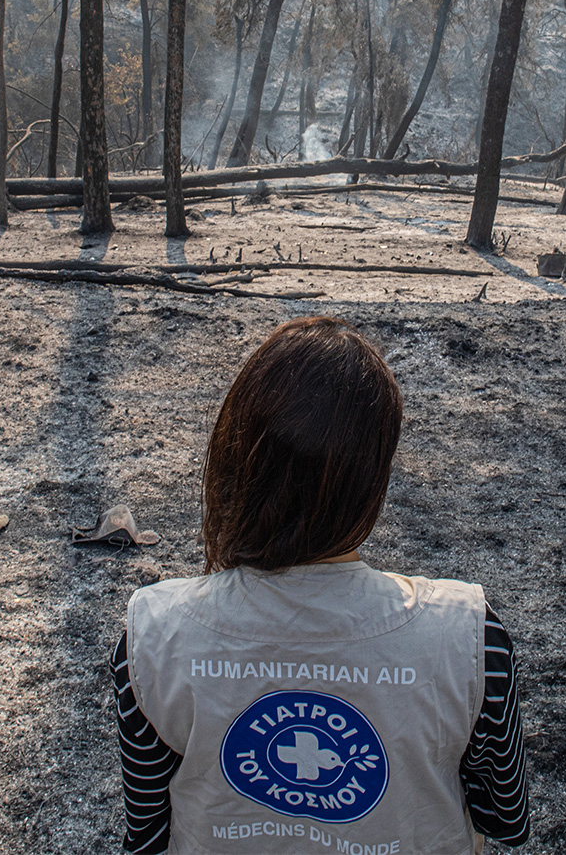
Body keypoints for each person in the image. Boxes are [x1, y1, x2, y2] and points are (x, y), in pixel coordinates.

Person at [111, 316, 529, 854]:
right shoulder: (470, 637)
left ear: (235, 459)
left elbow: (147, 833)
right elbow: (507, 819)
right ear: (373, 474)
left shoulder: (152, 636)